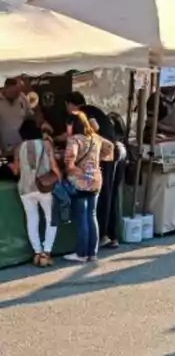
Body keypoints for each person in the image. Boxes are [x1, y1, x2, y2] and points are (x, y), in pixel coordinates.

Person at [66, 92, 123, 249]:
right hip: (112, 152)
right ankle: (112, 236)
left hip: (105, 156)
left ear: (70, 105)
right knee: (110, 194)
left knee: (104, 195)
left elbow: (93, 128)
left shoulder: (83, 114)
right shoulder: (94, 109)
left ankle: (104, 235)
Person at [14, 118, 59, 266]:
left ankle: (37, 253)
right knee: (50, 218)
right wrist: (60, 177)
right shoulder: (46, 144)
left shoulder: (18, 148)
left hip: (25, 188)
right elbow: (53, 166)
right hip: (44, 186)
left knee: (32, 220)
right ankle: (46, 253)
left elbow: (16, 170)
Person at [63, 111, 102, 263]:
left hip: (80, 183)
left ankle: (81, 254)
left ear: (73, 124)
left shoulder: (74, 140)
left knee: (82, 218)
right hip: (96, 181)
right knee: (92, 216)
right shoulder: (96, 138)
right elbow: (109, 149)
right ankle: (92, 253)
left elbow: (69, 163)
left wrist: (81, 172)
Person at [0, 78, 33, 152]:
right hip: (4, 149)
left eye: (19, 91)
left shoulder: (22, 98)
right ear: (6, 88)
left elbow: (30, 117)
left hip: (23, 147)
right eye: (14, 92)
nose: (17, 95)